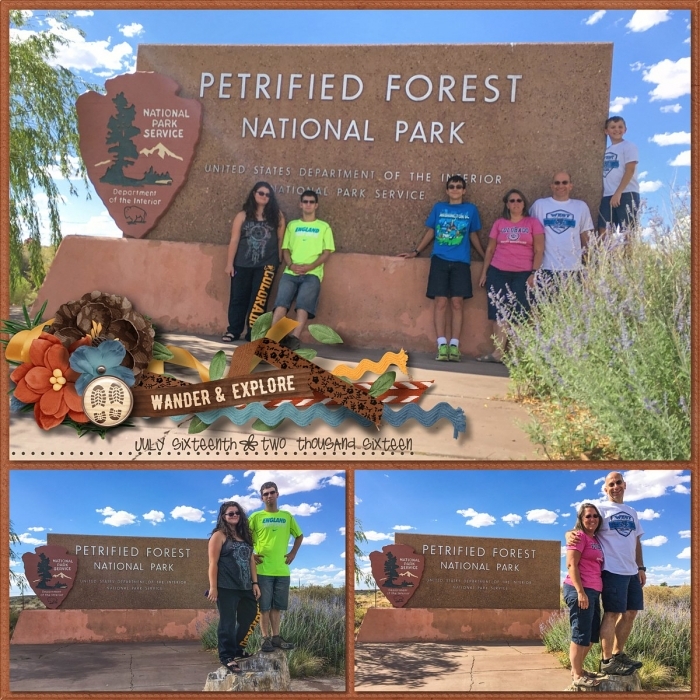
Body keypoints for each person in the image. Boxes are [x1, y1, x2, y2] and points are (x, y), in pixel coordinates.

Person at [398, 175, 484, 362]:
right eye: (451, 186)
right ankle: (441, 344)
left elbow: (473, 234)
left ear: (464, 190)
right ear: (447, 190)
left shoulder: (470, 210)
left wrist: (485, 256)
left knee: (457, 303)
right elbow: (431, 231)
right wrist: (416, 251)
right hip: (439, 260)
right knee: (441, 303)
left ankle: (454, 345)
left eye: (458, 186)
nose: (455, 189)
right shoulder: (439, 208)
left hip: (461, 262)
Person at [567, 472, 646, 676]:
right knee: (612, 613)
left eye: (618, 482)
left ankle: (619, 654)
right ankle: (607, 660)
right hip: (612, 570)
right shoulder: (600, 509)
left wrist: (641, 567)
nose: (615, 486)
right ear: (605, 489)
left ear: (624, 485)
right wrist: (570, 534)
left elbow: (636, 541)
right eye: (611, 484)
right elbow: (581, 527)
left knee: (630, 613)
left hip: (631, 571)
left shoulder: (632, 512)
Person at [477, 188, 544, 363]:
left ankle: (517, 355)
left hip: (523, 273)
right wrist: (484, 272)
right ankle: (498, 354)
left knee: (520, 314)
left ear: (524, 204)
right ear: (507, 204)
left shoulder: (533, 223)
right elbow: (490, 249)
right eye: (512, 201)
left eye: (519, 200)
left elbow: (539, 250)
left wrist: (534, 273)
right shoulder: (500, 223)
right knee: (499, 313)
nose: (516, 204)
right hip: (498, 271)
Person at [271, 191, 335, 350]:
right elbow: (285, 249)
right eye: (305, 201)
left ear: (316, 205)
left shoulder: (324, 227)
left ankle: (294, 340)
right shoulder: (292, 225)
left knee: (303, 306)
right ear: (300, 204)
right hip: (290, 272)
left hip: (312, 274)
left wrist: (310, 267)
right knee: (281, 304)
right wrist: (291, 265)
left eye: (311, 202)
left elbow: (327, 252)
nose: (308, 204)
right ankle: (272, 340)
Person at [222, 182, 285, 343]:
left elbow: (280, 240)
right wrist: (230, 263)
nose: (264, 196)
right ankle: (233, 330)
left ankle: (253, 334)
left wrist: (278, 260)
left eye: (268, 194)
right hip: (242, 264)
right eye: (261, 193)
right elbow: (234, 240)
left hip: (267, 265)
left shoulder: (277, 216)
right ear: (254, 193)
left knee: (259, 300)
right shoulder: (242, 216)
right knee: (238, 298)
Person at [249, 482, 304, 652]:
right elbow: (244, 538)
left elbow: (299, 536)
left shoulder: (287, 516)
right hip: (263, 569)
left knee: (276, 607)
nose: (269, 496)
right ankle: (265, 639)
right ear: (261, 497)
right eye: (265, 494)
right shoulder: (255, 517)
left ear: (278, 494)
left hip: (282, 570)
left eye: (272, 492)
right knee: (264, 606)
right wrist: (251, 554)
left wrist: (293, 553)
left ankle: (276, 638)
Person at [207, 501, 261, 673]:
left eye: (237, 512)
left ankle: (237, 648)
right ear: (223, 516)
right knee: (227, 622)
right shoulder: (219, 535)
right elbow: (213, 563)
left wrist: (255, 583)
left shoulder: (245, 536)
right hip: (226, 587)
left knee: (250, 616)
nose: (234, 515)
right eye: (230, 513)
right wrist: (213, 587)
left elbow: (251, 560)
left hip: (246, 587)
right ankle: (226, 656)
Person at [563, 503, 606, 688]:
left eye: (595, 516)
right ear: (581, 519)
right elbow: (571, 565)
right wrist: (580, 592)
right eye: (588, 516)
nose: (592, 519)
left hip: (594, 591)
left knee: (591, 635)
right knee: (580, 633)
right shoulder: (578, 536)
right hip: (579, 589)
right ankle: (578, 675)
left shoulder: (596, 539)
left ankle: (577, 669)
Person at [529, 172, 594, 281]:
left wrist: (588, 265)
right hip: (546, 267)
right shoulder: (539, 205)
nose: (560, 186)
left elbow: (586, 237)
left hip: (573, 267)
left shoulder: (581, 206)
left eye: (565, 182)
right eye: (557, 183)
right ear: (551, 186)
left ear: (570, 186)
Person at [598, 116, 640, 239]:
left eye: (620, 127)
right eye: (613, 127)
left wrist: (618, 192)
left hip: (626, 193)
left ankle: (628, 258)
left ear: (625, 130)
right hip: (607, 195)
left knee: (627, 232)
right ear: (606, 131)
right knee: (604, 230)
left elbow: (630, 169)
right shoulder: (606, 150)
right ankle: (607, 257)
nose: (617, 130)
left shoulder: (629, 146)